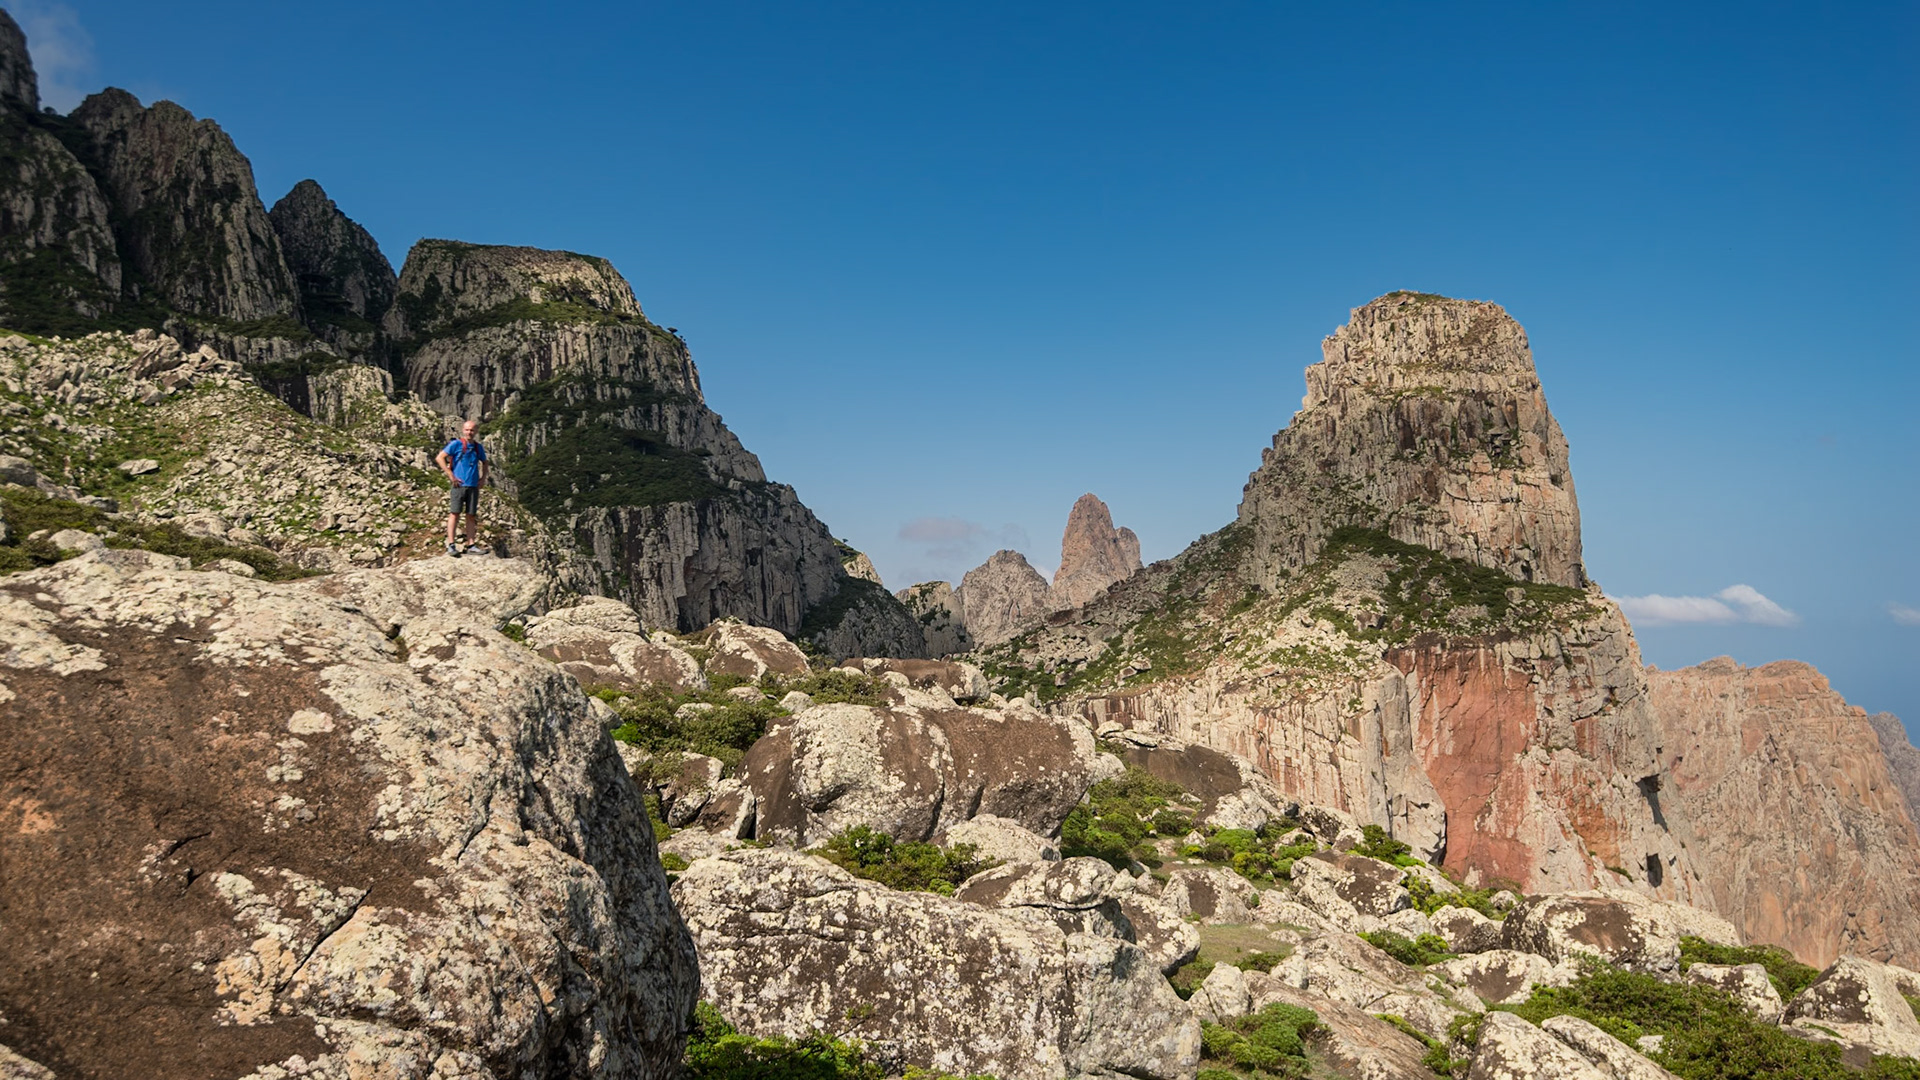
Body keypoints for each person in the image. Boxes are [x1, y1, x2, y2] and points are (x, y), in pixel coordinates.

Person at [436, 420, 489, 556]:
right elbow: (440, 458)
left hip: (473, 485)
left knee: (471, 515)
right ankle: (451, 544)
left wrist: (483, 478)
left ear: (476, 431)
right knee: (455, 513)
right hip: (458, 485)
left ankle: (471, 544)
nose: (469, 432)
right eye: (467, 430)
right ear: (463, 430)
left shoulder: (478, 447)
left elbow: (485, 462)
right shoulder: (456, 444)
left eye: (471, 430)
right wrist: (450, 475)